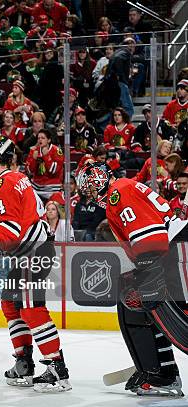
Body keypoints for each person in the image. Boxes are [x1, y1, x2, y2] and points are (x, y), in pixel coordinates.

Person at [76, 162, 186, 397]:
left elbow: (149, 234)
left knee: (142, 304)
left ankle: (159, 372)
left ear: (99, 181)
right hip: (171, 250)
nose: (91, 196)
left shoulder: (119, 192)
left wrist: (147, 271)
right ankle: (161, 372)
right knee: (140, 304)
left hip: (172, 250)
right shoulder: (123, 188)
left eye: (92, 189)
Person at [0, 135, 71, 393]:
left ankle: (56, 367)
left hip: (32, 252)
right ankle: (24, 362)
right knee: (11, 304)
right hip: (28, 251)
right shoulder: (18, 178)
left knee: (30, 308)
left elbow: (11, 226)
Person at [25, 129, 64, 200]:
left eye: (43, 138)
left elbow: (53, 171)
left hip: (52, 188)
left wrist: (46, 156)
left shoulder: (57, 151)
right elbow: (29, 171)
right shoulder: (34, 151)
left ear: (49, 140)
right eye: (38, 138)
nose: (40, 140)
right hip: (36, 187)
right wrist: (33, 159)